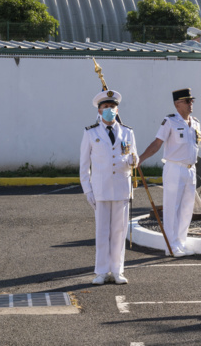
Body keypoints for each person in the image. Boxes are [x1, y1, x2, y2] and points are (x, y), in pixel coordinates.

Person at [80, 89, 137, 285]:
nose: (109, 110)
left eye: (112, 107)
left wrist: (133, 160)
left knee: (119, 231)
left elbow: (132, 158)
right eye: (105, 107)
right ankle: (101, 271)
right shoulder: (90, 133)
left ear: (117, 109)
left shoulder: (127, 132)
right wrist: (87, 190)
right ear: (99, 111)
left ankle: (118, 270)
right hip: (101, 189)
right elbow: (84, 165)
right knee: (102, 232)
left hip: (121, 188)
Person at [138, 88, 201, 257]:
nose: (191, 104)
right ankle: (171, 246)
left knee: (187, 209)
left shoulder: (195, 122)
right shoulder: (170, 121)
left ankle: (181, 243)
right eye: (187, 101)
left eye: (191, 101)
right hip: (174, 168)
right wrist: (141, 158)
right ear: (177, 104)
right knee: (172, 208)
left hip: (190, 170)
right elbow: (157, 144)